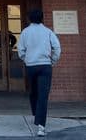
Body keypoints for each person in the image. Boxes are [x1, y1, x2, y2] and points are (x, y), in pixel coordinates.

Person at [17, 9, 61, 137]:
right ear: (42, 18)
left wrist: (26, 59)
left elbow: (21, 50)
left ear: (30, 18)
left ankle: (36, 114)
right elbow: (57, 47)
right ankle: (41, 126)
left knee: (33, 92)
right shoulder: (48, 31)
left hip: (31, 65)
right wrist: (53, 60)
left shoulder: (25, 32)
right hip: (45, 65)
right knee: (43, 95)